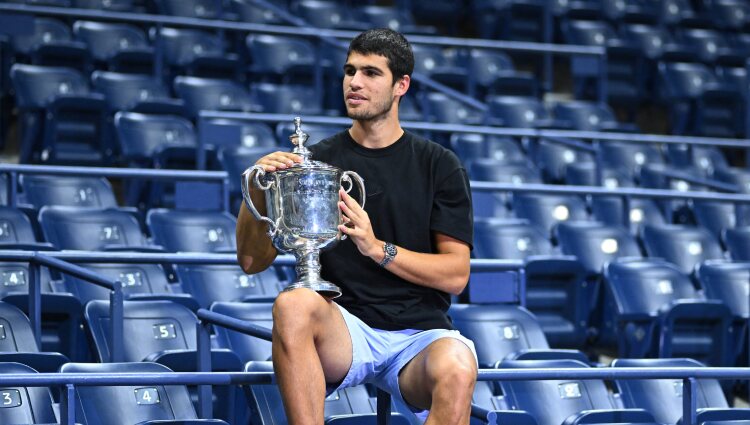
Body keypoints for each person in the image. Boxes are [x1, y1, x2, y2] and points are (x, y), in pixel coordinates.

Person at [236, 28, 477, 425]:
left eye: (370, 73)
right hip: (344, 330)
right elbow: (250, 260)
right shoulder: (313, 165)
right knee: (293, 304)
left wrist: (377, 248)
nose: (355, 83)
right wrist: (258, 189)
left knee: (459, 366)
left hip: (418, 336)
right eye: (350, 71)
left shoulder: (439, 164)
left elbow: (455, 274)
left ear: (401, 85)